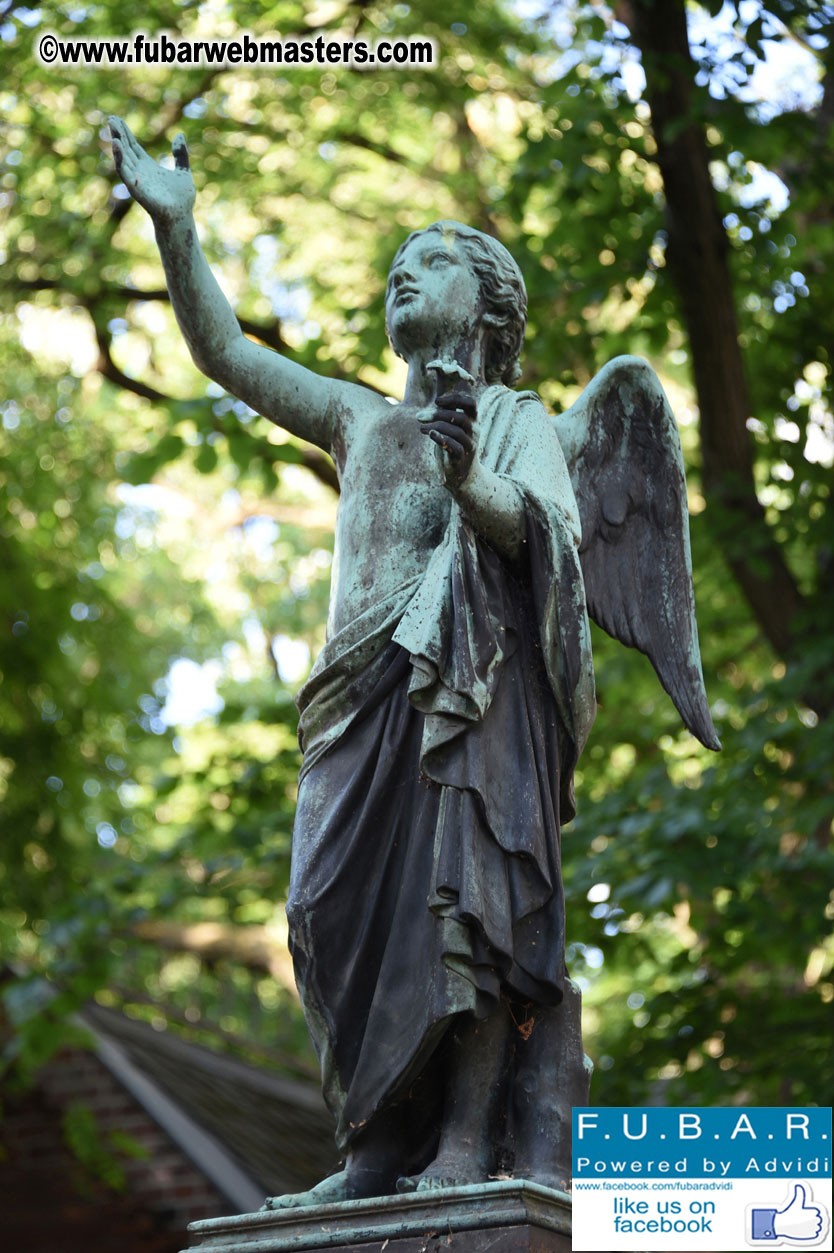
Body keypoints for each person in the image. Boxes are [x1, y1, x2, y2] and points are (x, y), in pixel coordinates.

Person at [110, 119, 597, 1205]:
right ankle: (372, 1146)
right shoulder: (357, 419)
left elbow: (542, 537)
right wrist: (178, 230)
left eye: (425, 263)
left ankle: (465, 1142)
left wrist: (472, 479)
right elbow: (223, 353)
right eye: (391, 270)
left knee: (461, 911)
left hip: (461, 706)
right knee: (321, 912)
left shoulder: (519, 419)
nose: (398, 279)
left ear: (488, 303)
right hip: (352, 706)